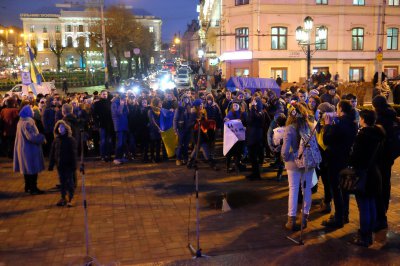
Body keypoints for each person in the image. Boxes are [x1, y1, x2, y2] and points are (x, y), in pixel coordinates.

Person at [348, 109, 385, 247]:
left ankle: (365, 236)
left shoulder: (362, 136)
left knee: (363, 206)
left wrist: (350, 158)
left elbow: (355, 158)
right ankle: (370, 233)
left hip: (363, 174)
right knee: (371, 204)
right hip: (375, 173)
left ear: (363, 119)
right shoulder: (379, 134)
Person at [281, 103, 319, 231]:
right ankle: (305, 217)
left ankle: (291, 220)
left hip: (293, 163)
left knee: (293, 189)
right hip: (308, 161)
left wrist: (286, 158)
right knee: (307, 189)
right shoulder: (310, 126)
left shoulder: (290, 128)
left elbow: (285, 151)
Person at [322, 100, 358, 228]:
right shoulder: (354, 123)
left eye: (337, 108)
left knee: (336, 190)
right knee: (345, 188)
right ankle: (345, 215)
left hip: (334, 159)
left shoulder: (338, 123)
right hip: (346, 158)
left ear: (341, 108)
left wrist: (327, 126)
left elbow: (326, 140)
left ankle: (338, 218)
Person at [372, 95, 399, 231]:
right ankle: (384, 211)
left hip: (380, 156)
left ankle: (381, 217)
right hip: (389, 156)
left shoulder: (380, 119)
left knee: (379, 185)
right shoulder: (392, 114)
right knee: (385, 183)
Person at [13, 105, 46, 195]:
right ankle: (33, 188)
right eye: (31, 110)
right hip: (30, 150)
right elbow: (31, 137)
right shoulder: (27, 123)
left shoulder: (21, 122)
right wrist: (41, 138)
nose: (33, 112)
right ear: (27, 112)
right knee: (32, 169)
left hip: (24, 149)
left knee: (27, 169)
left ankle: (27, 186)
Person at [48, 120, 77, 207]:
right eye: (59, 127)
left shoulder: (70, 140)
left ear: (66, 128)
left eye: (62, 127)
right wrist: (51, 164)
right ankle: (63, 197)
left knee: (70, 182)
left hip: (68, 164)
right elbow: (52, 153)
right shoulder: (56, 140)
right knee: (62, 181)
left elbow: (73, 153)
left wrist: (74, 165)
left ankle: (70, 198)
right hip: (60, 165)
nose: (60, 129)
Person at [224, 101, 247, 173]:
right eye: (234, 105)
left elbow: (246, 121)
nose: (235, 107)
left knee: (238, 152)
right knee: (230, 152)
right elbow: (226, 119)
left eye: (236, 105)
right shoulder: (230, 113)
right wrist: (225, 120)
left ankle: (237, 166)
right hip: (231, 137)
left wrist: (244, 126)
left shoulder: (242, 113)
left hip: (239, 137)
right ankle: (228, 167)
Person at [245, 96, 265, 180]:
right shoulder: (253, 111)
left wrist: (253, 108)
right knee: (252, 156)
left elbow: (255, 118)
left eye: (254, 102)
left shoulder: (260, 112)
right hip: (251, 136)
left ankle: (256, 174)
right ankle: (254, 172)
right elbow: (249, 120)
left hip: (256, 137)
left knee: (254, 156)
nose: (252, 103)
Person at [92, 90, 113, 162]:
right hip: (102, 124)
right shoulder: (97, 103)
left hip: (109, 124)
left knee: (109, 140)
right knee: (103, 141)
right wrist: (97, 123)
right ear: (100, 95)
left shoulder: (110, 103)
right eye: (103, 94)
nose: (105, 95)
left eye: (106, 94)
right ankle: (103, 156)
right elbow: (94, 114)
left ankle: (108, 155)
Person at [111, 93, 129, 165]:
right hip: (118, 126)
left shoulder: (123, 103)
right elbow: (118, 113)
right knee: (119, 143)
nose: (126, 99)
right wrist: (121, 105)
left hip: (124, 125)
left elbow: (127, 113)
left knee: (123, 143)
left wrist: (126, 105)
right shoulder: (114, 104)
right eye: (125, 98)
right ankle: (116, 158)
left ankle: (121, 157)